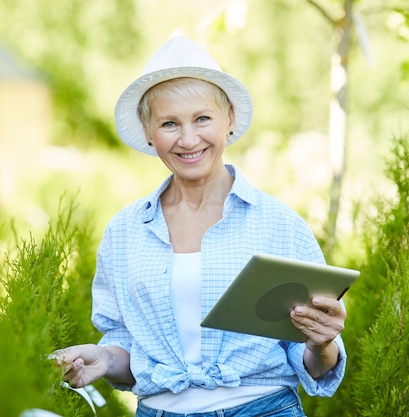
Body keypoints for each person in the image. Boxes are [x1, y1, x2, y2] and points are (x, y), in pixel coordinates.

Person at [54, 35, 347, 416]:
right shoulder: (125, 232)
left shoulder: (278, 225)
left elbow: (313, 362)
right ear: (147, 130)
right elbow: (127, 347)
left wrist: (322, 344)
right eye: (169, 123)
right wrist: (105, 358)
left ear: (229, 118)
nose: (188, 139)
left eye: (202, 118)